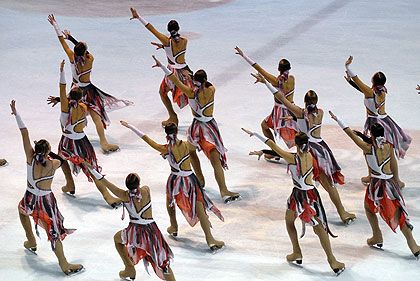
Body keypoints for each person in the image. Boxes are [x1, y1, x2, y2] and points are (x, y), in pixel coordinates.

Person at [253, 73, 355, 224]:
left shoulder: (301, 112)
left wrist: (266, 83)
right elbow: (306, 122)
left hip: (308, 151)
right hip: (322, 149)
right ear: (316, 102)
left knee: (306, 182)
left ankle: (306, 209)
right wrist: (294, 118)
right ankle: (340, 211)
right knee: (328, 183)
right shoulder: (319, 113)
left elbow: (281, 98)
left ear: (304, 102)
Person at [242, 129, 345, 274]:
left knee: (313, 226)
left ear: (295, 144)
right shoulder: (309, 155)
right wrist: (262, 150)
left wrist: (255, 134)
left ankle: (329, 260)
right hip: (310, 193)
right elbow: (283, 154)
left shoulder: (293, 158)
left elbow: (273, 145)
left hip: (301, 196)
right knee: (301, 223)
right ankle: (298, 252)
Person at [121, 121, 225, 252]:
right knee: (199, 207)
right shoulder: (187, 145)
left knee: (170, 202)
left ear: (166, 133)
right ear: (176, 132)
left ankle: (174, 226)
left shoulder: (165, 148)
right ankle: (210, 239)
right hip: (189, 180)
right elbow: (198, 142)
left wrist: (132, 126)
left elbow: (147, 139)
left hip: (175, 180)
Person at [330, 112, 420, 259]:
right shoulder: (388, 145)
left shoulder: (368, 148)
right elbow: (379, 147)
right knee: (393, 211)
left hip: (378, 186)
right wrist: (364, 136)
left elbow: (349, 134)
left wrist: (338, 119)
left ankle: (382, 237)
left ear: (371, 135)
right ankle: (401, 241)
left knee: (375, 210)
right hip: (391, 184)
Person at [152, 55, 240, 204]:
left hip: (196, 128)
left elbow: (174, 79)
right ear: (205, 80)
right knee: (215, 160)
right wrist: (194, 77)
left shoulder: (190, 92)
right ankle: (224, 191)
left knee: (191, 151)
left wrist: (162, 66)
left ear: (195, 81)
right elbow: (205, 84)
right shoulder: (211, 89)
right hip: (209, 128)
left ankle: (199, 178)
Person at [11, 100, 84, 275]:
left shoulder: (30, 158)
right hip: (45, 201)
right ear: (48, 151)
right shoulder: (54, 163)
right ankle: (63, 263)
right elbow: (61, 159)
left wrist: (16, 114)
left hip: (30, 196)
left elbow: (24, 133)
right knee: (53, 231)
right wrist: (49, 153)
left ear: (35, 150)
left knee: (22, 211)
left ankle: (31, 240)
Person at [47, 14, 133, 153]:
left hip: (76, 90)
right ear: (85, 51)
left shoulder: (71, 56)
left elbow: (61, 41)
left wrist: (55, 25)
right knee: (96, 116)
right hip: (89, 90)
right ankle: (104, 143)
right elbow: (84, 51)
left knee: (67, 113)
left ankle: (67, 139)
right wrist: (73, 38)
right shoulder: (90, 59)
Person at [86, 167, 176, 281]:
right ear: (139, 182)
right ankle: (130, 268)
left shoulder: (124, 195)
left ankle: (129, 266)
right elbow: (136, 195)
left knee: (117, 239)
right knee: (162, 262)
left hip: (134, 232)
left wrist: (92, 169)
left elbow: (105, 182)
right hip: (151, 232)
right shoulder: (145, 190)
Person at [55, 59, 121, 207]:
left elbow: (62, 87)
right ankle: (106, 196)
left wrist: (61, 72)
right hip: (82, 142)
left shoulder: (65, 109)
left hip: (67, 141)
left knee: (61, 159)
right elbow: (68, 98)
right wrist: (61, 99)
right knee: (91, 167)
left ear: (69, 96)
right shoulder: (84, 106)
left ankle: (70, 183)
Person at [344, 56, 410, 187]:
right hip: (386, 122)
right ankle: (397, 179)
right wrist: (351, 82)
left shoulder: (370, 91)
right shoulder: (383, 90)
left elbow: (358, 80)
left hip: (374, 124)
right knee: (389, 151)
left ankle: (371, 174)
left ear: (372, 81)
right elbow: (364, 91)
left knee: (369, 149)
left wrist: (348, 67)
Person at [130, 7, 193, 126]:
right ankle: (197, 118)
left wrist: (138, 17)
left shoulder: (166, 40)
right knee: (190, 95)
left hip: (173, 72)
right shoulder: (184, 41)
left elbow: (151, 29)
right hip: (186, 70)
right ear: (178, 29)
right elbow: (176, 51)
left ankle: (173, 117)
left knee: (162, 92)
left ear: (168, 30)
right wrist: (164, 48)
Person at [234, 46, 298, 156]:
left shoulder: (276, 81)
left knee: (264, 126)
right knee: (296, 131)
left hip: (280, 111)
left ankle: (275, 151)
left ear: (278, 69)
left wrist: (244, 55)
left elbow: (259, 69)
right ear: (290, 68)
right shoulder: (292, 78)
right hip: (292, 108)